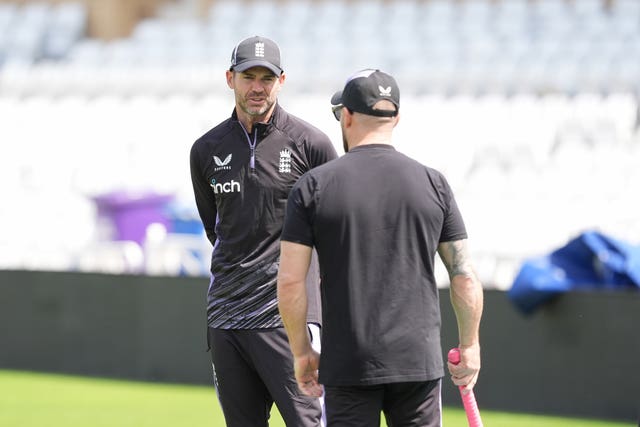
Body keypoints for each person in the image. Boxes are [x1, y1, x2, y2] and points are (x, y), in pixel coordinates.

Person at [277, 69, 483, 426]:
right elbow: (463, 273)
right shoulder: (434, 183)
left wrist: (301, 351)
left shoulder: (314, 187)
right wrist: (470, 345)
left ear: (347, 116)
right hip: (417, 363)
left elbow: (291, 282)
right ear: (397, 117)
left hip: (349, 364)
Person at [189, 35, 338, 426]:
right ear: (229, 78)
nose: (257, 87)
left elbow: (334, 232)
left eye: (266, 78)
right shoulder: (205, 150)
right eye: (248, 76)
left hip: (289, 320)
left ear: (281, 81)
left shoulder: (312, 145)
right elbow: (215, 229)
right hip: (226, 318)